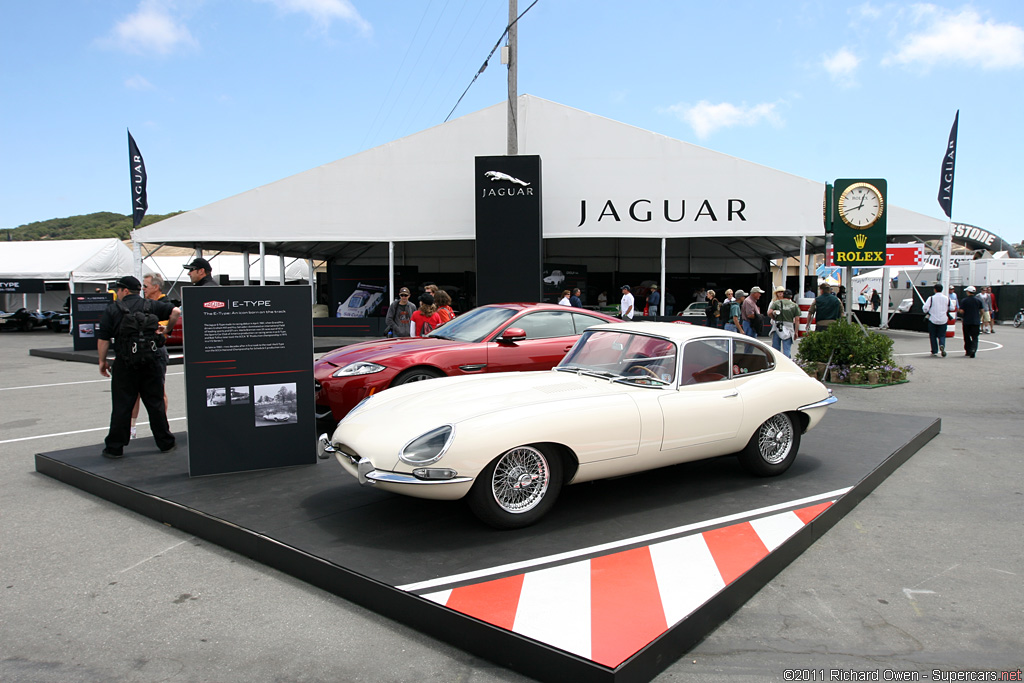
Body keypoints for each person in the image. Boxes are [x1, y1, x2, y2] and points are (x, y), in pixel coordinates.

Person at [97, 276, 180, 458]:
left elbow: (103, 339)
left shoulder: (113, 310)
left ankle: (115, 447)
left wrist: (102, 362)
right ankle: (165, 442)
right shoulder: (151, 305)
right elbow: (175, 311)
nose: (117, 293)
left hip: (125, 362)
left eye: (118, 290)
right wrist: (167, 330)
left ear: (125, 291)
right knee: (155, 402)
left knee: (122, 405)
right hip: (150, 361)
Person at [130, 273, 172, 438]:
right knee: (134, 391)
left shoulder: (165, 304)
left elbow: (160, 328)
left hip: (156, 352)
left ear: (156, 287)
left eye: (145, 286)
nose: (143, 289)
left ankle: (161, 427)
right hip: (138, 351)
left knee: (158, 392)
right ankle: (132, 428)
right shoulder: (143, 303)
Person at [768, 286, 800, 358]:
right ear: (791, 296)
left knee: (776, 348)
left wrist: (774, 318)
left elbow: (769, 312)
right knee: (787, 349)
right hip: (788, 327)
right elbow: (797, 319)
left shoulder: (776, 303)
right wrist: (796, 332)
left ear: (783, 295)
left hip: (777, 326)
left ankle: (776, 362)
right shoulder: (794, 305)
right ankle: (787, 363)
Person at [922, 283, 951, 357]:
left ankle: (934, 350)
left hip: (933, 319)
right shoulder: (947, 298)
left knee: (933, 336)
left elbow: (925, 308)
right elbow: (952, 308)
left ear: (935, 290)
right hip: (943, 319)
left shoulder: (931, 298)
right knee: (942, 335)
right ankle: (942, 344)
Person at [958, 285, 983, 358]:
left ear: (968, 292)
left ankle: (968, 350)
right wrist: (979, 317)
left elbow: (962, 311)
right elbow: (982, 311)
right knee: (975, 337)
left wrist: (959, 311)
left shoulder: (964, 300)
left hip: (967, 321)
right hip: (975, 321)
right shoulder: (978, 300)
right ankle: (973, 349)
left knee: (967, 336)